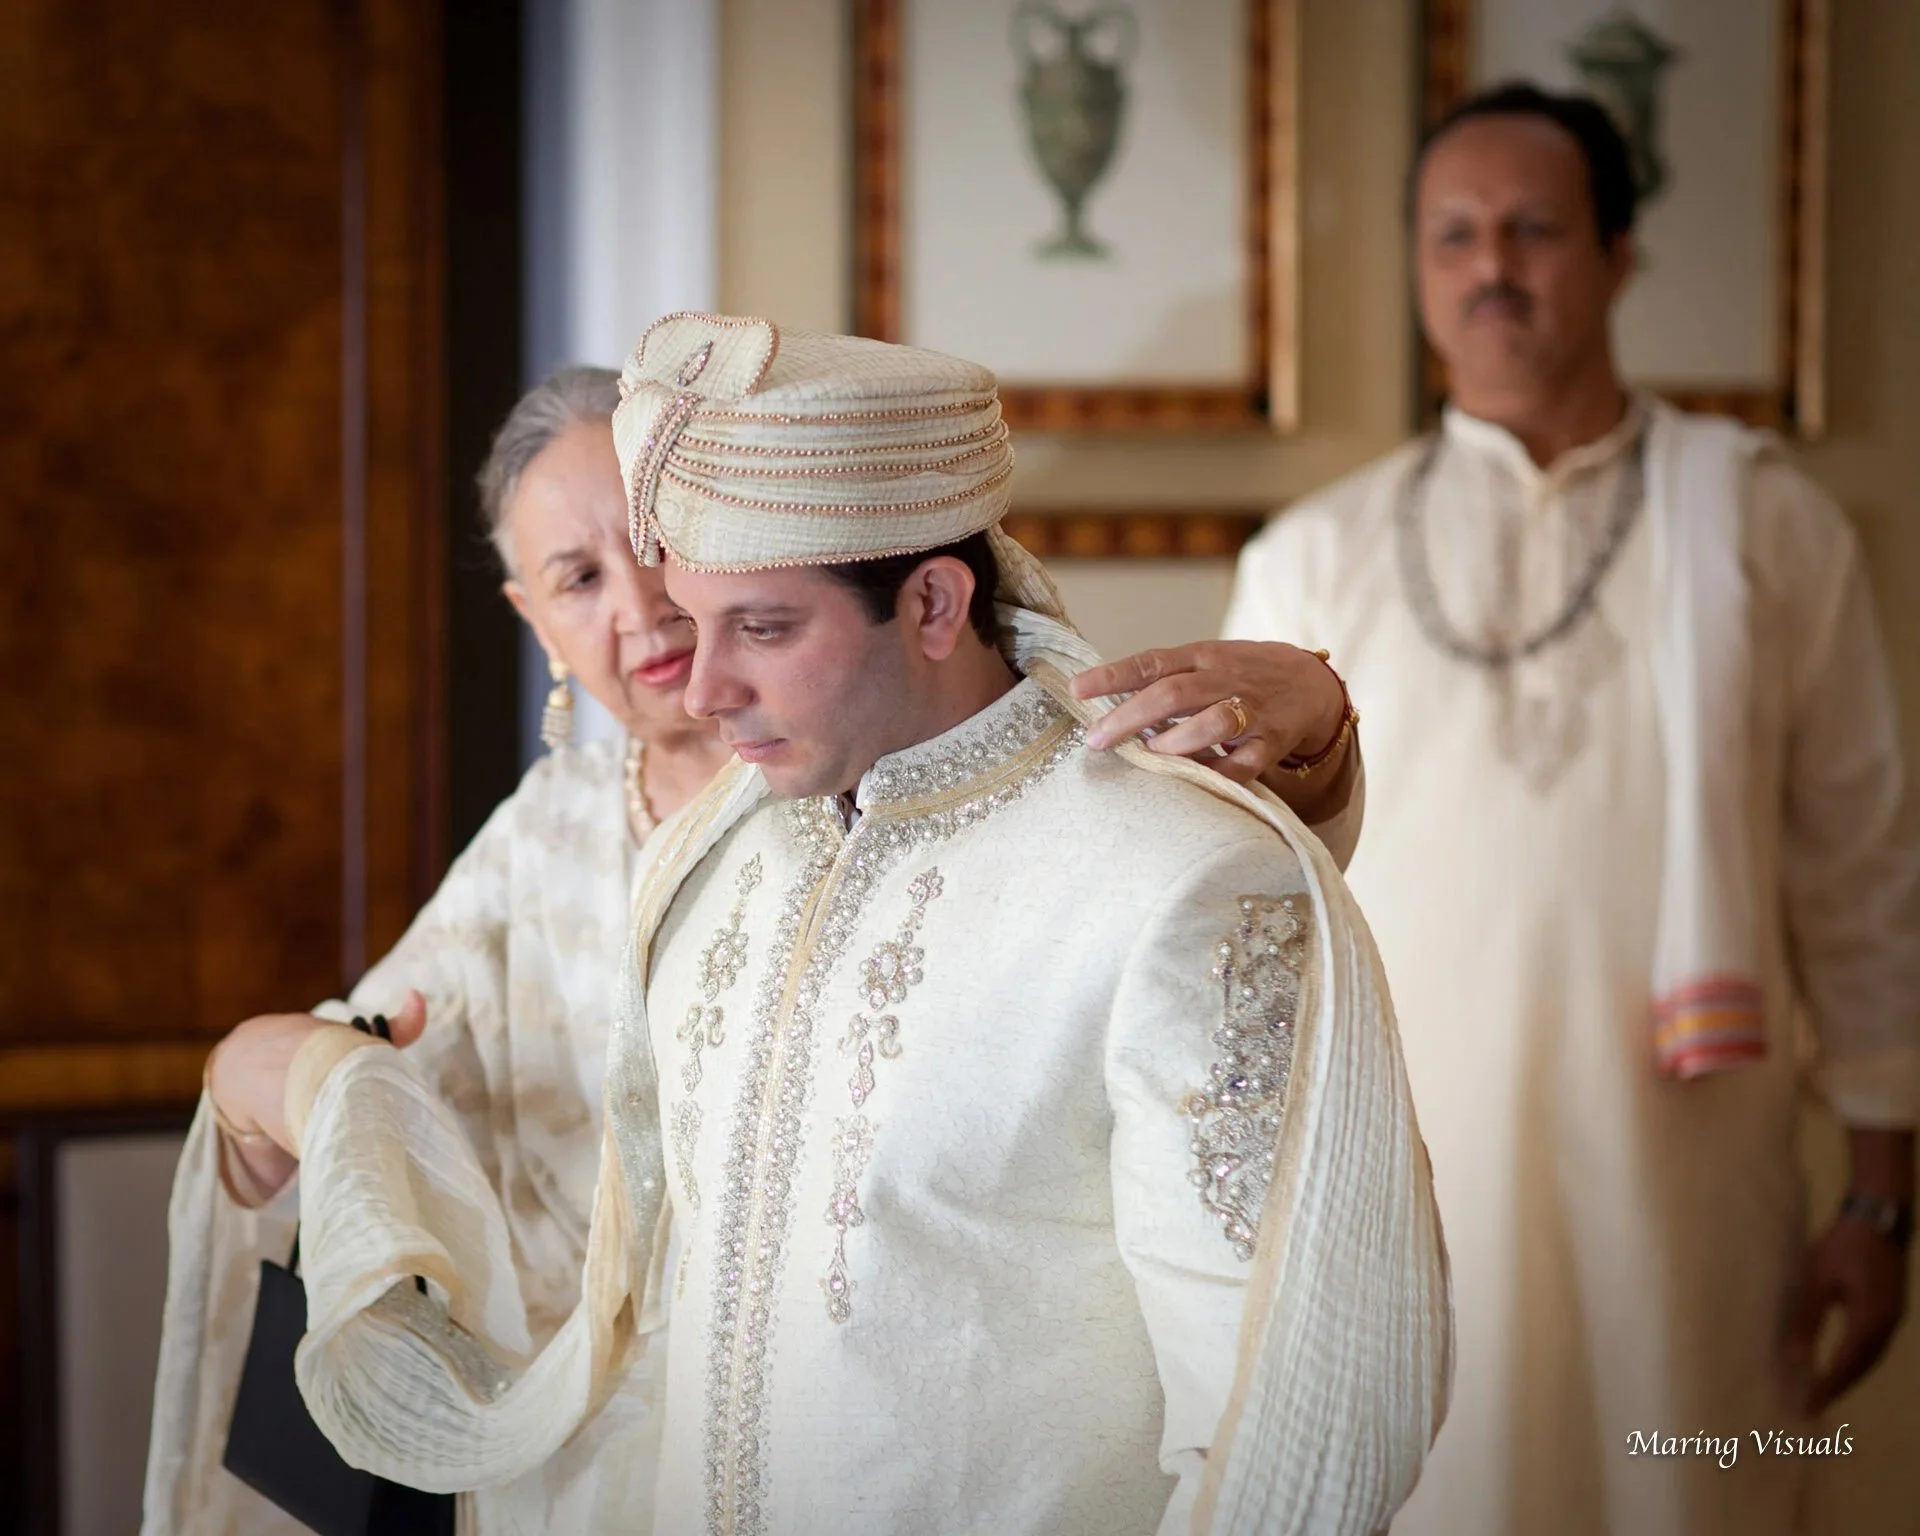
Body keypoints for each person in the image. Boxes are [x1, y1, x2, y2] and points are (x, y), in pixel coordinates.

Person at [207, 314, 1451, 1535]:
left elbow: (1293, 1428)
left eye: (760, 627)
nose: (697, 684)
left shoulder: (1177, 879)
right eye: (690, 618)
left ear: (932, 603)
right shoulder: (714, 863)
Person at [1077, 83, 1920, 1536]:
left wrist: (1879, 1196)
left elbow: (1859, 866)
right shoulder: (1312, 555)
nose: (1492, 269)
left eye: (1533, 229)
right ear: (1415, 265)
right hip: (1403, 1176)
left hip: (1691, 1176)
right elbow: (1231, 911)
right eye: (1453, 235)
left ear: (1617, 254)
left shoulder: (1770, 523)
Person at [141, 366, 735, 1533]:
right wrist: (276, 1091)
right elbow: (366, 1053)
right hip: (566, 1453)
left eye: (662, 542)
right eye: (579, 578)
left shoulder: (846, 781)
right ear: (537, 622)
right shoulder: (545, 831)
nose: (641, 605)